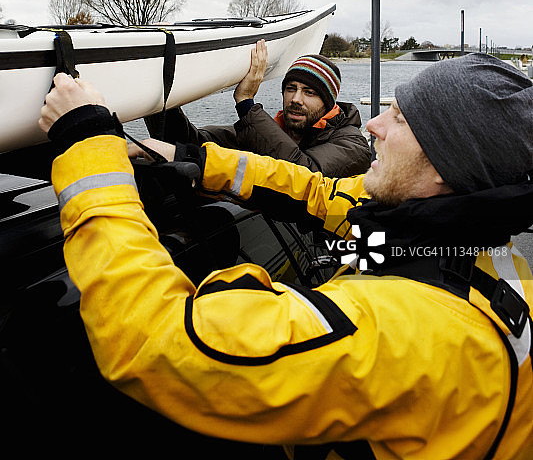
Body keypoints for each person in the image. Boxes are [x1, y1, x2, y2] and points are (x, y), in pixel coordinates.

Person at [39, 54, 533, 459]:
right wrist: (198, 164)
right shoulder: (468, 236)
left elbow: (153, 338)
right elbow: (316, 191)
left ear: (447, 164)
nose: (374, 126)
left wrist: (85, 146)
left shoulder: (402, 329)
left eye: (400, 118)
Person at [144, 40, 371, 178]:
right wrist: (159, 96)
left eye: (309, 92)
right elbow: (193, 144)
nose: (296, 99)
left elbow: (304, 174)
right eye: (290, 88)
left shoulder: (353, 144)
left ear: (328, 103)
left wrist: (246, 102)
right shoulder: (269, 131)